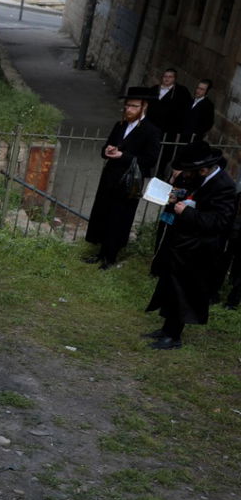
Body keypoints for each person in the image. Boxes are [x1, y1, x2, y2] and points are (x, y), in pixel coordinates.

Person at [143, 143, 237, 349]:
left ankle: (173, 335)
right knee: (171, 286)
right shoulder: (200, 179)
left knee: (183, 291)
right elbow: (192, 200)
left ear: (203, 169)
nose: (186, 175)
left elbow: (220, 222)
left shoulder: (224, 186)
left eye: (188, 171)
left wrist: (186, 212)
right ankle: (167, 328)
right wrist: (177, 199)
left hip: (199, 250)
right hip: (183, 244)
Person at [83, 87, 162, 270]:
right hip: (110, 177)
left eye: (134, 107)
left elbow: (150, 159)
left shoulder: (151, 131)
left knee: (119, 218)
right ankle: (101, 252)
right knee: (104, 214)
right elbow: (105, 148)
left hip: (129, 181)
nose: (128, 110)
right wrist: (108, 151)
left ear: (144, 107)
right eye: (127, 106)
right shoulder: (120, 125)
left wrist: (123, 156)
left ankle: (110, 257)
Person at [149, 68, 185, 173]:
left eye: (170, 77)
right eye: (165, 76)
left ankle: (160, 171)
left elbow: (182, 111)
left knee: (165, 151)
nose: (167, 79)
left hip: (168, 128)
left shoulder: (180, 92)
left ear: (174, 79)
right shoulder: (154, 89)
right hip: (152, 125)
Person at [181, 79, 215, 144]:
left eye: (202, 89)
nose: (198, 91)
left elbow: (209, 123)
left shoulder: (208, 105)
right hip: (182, 135)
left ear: (206, 91)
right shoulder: (190, 101)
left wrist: (196, 133)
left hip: (193, 138)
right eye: (198, 88)